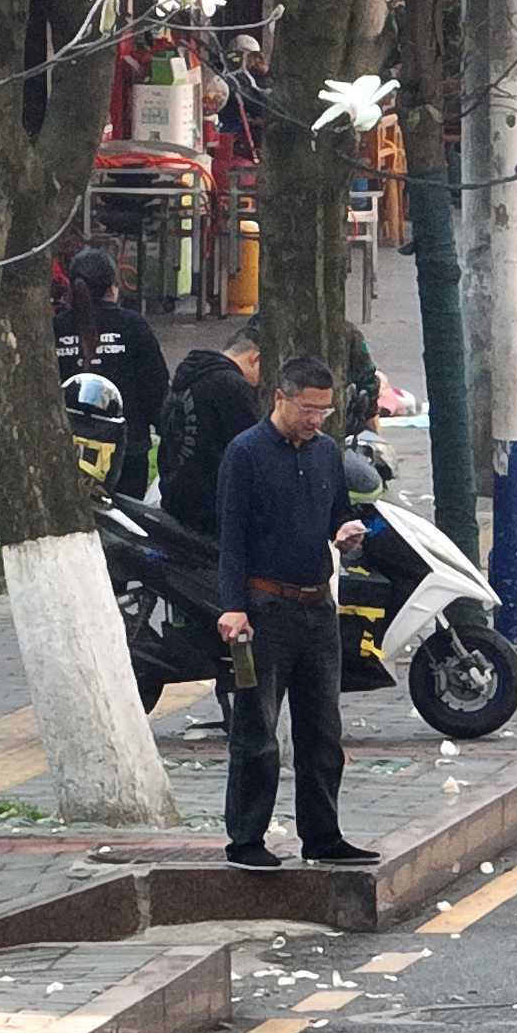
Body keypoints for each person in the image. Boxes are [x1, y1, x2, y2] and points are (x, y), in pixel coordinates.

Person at [212, 356, 378, 870]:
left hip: (317, 606)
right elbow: (231, 537)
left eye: (324, 411)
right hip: (263, 608)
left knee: (323, 730)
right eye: (307, 409)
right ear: (280, 399)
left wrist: (347, 533)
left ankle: (323, 835)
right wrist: (233, 607)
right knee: (258, 730)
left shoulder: (328, 453)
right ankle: (246, 839)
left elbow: (337, 516)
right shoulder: (246, 454)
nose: (315, 420)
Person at [54, 247, 174, 497]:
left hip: (67, 450)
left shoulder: (57, 328)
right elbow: (156, 389)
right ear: (112, 287)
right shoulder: (132, 326)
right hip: (127, 449)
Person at [157, 330, 265, 535]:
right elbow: (251, 448)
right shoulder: (233, 387)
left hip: (176, 495)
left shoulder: (187, 377)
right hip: (212, 506)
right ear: (255, 358)